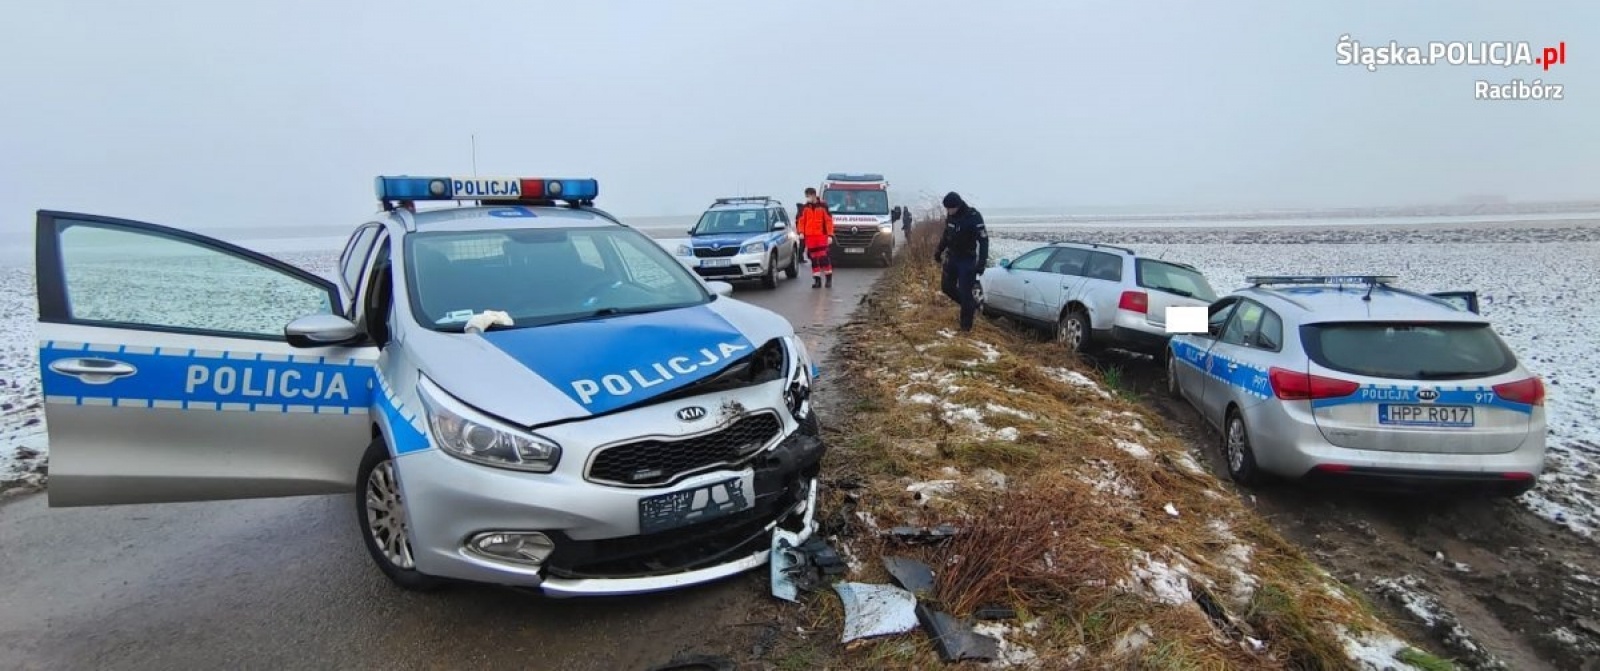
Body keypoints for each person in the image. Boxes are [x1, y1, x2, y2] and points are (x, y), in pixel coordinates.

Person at [933, 191, 988, 332]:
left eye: (950, 209)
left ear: (957, 205)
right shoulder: (951, 216)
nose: (948, 211)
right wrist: (939, 251)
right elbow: (946, 235)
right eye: (947, 209)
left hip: (967, 260)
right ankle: (970, 305)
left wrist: (982, 262)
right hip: (952, 257)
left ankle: (965, 327)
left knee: (965, 292)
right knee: (946, 287)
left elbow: (984, 240)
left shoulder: (974, 217)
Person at [796, 187, 835, 288]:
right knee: (813, 259)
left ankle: (828, 278)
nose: (807, 198)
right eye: (806, 196)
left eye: (808, 196)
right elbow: (801, 221)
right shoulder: (805, 208)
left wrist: (830, 235)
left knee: (823, 258)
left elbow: (828, 221)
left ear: (813, 195)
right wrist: (801, 232)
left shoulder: (823, 206)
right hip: (810, 237)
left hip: (821, 236)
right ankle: (817, 280)